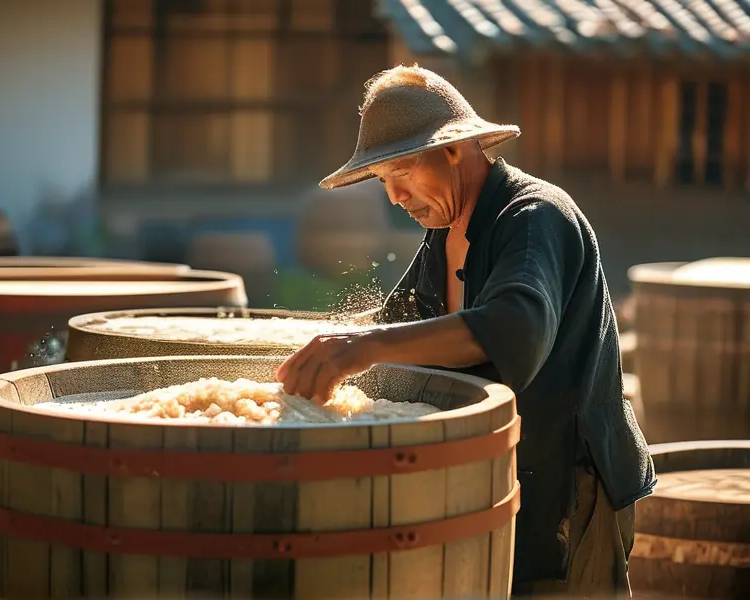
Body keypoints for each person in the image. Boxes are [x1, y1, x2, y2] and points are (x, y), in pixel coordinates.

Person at [276, 65, 655, 598]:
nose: (395, 197)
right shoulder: (446, 230)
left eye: (403, 171)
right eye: (384, 182)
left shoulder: (533, 216)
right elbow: (397, 328)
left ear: (456, 149)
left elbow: (516, 328)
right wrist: (308, 347)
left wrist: (361, 348)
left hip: (570, 494)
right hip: (491, 489)